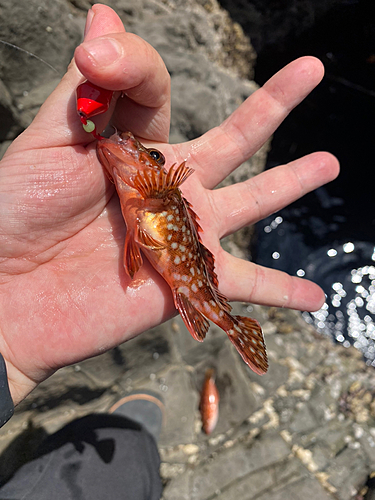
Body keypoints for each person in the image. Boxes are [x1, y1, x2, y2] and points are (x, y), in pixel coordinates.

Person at [0, 2, 339, 497]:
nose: (127, 145)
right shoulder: (144, 196)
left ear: (158, 177)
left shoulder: (152, 198)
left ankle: (140, 428)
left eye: (149, 155)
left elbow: (148, 235)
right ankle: (137, 435)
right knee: (128, 463)